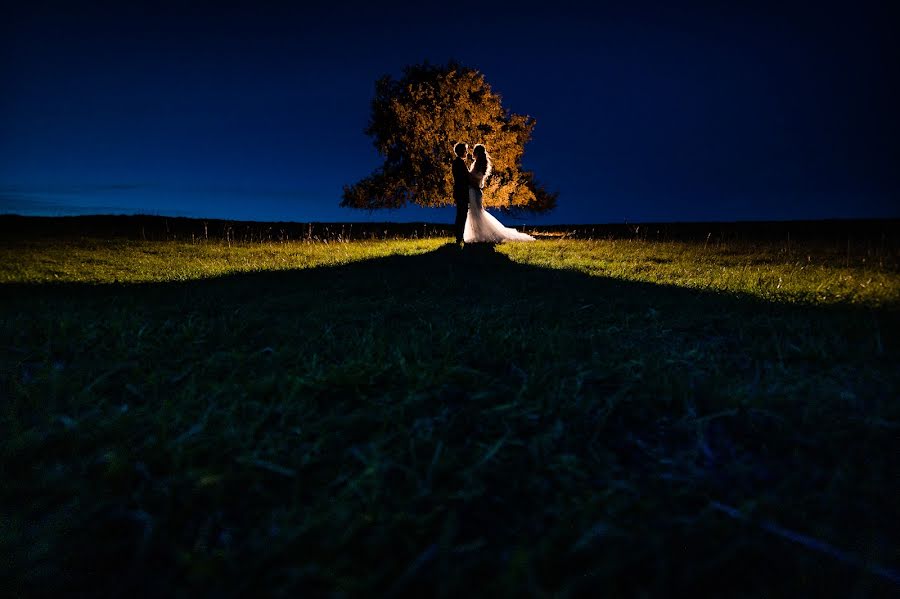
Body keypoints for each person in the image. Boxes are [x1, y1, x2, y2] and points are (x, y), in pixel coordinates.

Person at [463, 144, 535, 243]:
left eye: (474, 151)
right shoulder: (478, 163)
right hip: (474, 190)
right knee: (474, 213)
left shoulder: (478, 164)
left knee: (476, 213)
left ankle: (480, 235)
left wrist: (467, 174)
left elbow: (477, 177)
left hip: (474, 191)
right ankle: (478, 234)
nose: (472, 153)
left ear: (477, 152)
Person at [451, 142, 471, 244]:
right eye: (465, 150)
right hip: (461, 192)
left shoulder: (458, 162)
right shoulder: (459, 163)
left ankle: (459, 236)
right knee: (462, 215)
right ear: (460, 151)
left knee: (461, 214)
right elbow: (465, 178)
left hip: (460, 191)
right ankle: (459, 237)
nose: (466, 152)